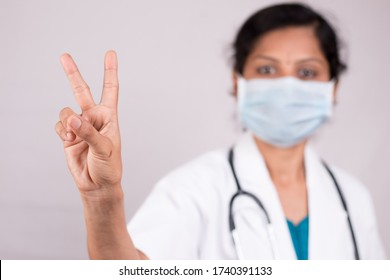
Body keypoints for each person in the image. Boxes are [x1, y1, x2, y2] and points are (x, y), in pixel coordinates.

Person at [55, 3, 386, 259]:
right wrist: (102, 199)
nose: (287, 85)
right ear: (237, 81)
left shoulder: (352, 197)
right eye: (267, 69)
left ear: (333, 87)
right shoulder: (191, 189)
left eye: (307, 72)